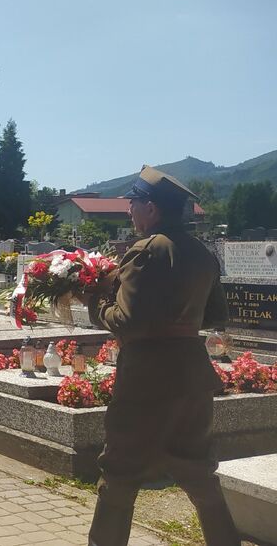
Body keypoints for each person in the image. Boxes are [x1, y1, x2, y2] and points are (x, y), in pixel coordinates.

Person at [83, 165, 238, 546]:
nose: (130, 211)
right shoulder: (202, 254)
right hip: (191, 375)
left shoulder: (147, 250)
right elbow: (217, 315)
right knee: (199, 472)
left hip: (147, 380)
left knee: (119, 473)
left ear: (151, 209)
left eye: (134, 204)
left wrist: (96, 301)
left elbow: (127, 321)